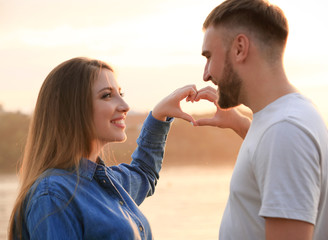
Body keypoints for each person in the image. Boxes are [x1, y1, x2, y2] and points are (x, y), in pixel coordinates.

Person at [193, 0, 328, 239]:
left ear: (240, 48)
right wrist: (241, 124)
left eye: (209, 56)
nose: (206, 73)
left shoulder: (284, 131)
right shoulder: (286, 119)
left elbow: (281, 142)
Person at [8, 57, 198, 239]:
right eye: (107, 95)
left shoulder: (107, 183)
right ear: (73, 109)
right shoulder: (53, 195)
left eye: (120, 94)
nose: (125, 106)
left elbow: (145, 172)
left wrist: (158, 116)